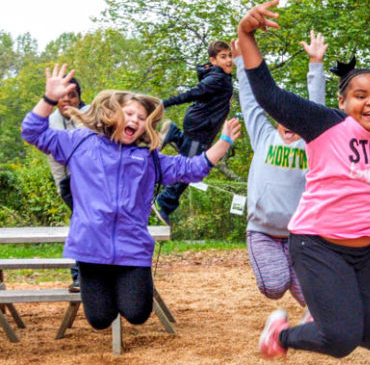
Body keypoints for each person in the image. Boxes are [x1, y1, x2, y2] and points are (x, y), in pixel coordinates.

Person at [238, 0, 370, 360]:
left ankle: (329, 318)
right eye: (360, 96)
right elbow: (269, 95)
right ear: (342, 102)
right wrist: (246, 34)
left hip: (366, 249)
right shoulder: (325, 125)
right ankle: (281, 337)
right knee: (340, 339)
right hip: (317, 244)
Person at [21, 64, 239, 332]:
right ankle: (107, 284)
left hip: (132, 247)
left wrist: (224, 142)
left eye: (141, 117)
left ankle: (124, 282)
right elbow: (33, 132)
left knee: (137, 313)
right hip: (91, 246)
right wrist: (48, 100)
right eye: (129, 113)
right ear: (113, 114)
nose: (135, 120)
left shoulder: (149, 159)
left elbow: (190, 169)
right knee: (100, 320)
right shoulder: (79, 142)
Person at [234, 31, 326, 308]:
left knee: (311, 297)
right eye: (282, 118)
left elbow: (316, 107)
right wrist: (241, 62)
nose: (289, 123)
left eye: (294, 118)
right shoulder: (263, 135)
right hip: (262, 231)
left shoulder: (312, 142)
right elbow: (250, 102)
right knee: (274, 286)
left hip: (299, 235)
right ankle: (280, 269)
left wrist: (316, 64)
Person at [153, 40, 235, 223]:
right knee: (190, 168)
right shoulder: (217, 78)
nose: (229, 60)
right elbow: (191, 94)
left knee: (191, 154)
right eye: (223, 57)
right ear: (213, 60)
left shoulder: (221, 76)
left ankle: (173, 133)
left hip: (200, 126)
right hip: (200, 128)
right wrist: (165, 103)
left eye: (230, 56)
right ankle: (164, 202)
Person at [46, 76, 87, 292]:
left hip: (95, 182)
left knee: (85, 227)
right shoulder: (52, 121)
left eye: (72, 95)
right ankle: (80, 276)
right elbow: (53, 157)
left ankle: (84, 276)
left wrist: (77, 116)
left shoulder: (91, 115)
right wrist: (61, 185)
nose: (67, 100)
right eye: (62, 96)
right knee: (80, 227)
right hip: (71, 183)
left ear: (80, 98)